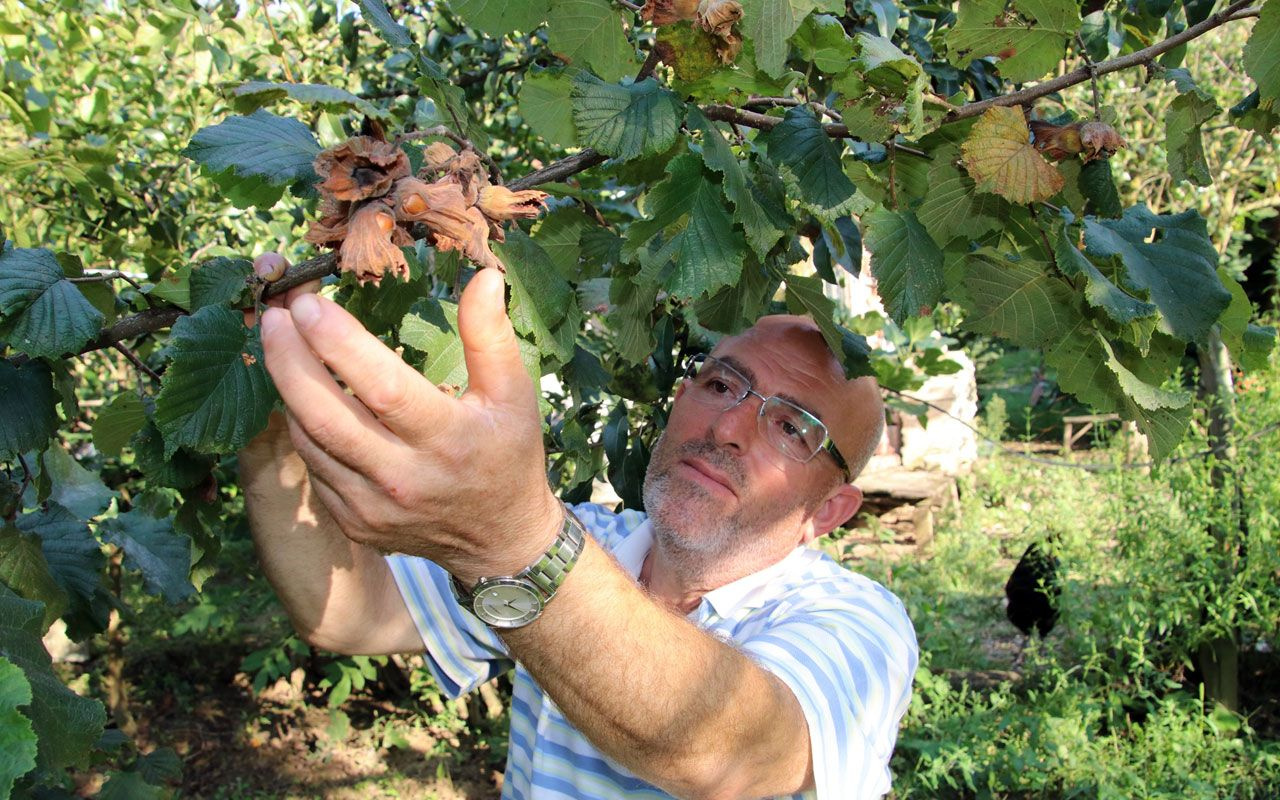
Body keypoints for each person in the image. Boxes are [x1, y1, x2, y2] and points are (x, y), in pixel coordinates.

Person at [239, 253, 918, 800]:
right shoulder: (589, 543)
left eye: (793, 428)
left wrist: (511, 537)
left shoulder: (860, 624)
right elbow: (353, 614)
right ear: (680, 399)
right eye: (721, 386)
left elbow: (726, 756)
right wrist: (269, 428)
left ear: (828, 511)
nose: (730, 428)